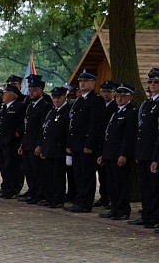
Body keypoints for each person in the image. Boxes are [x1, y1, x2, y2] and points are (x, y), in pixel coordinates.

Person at [100, 84, 138, 220]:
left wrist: (124, 154)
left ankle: (122, 210)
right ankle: (114, 207)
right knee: (111, 184)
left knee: (121, 184)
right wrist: (103, 154)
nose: (119, 98)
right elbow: (108, 135)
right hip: (110, 154)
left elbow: (129, 136)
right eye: (117, 96)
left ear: (130, 97)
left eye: (123, 96)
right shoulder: (116, 112)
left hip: (120, 155)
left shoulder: (131, 112)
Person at [66, 71, 99, 213]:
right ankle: (79, 199)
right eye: (80, 81)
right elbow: (72, 123)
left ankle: (86, 202)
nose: (82, 83)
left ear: (93, 83)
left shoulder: (96, 100)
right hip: (76, 144)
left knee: (87, 175)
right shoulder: (79, 100)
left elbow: (95, 125)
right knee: (78, 174)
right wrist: (69, 143)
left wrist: (89, 144)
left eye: (86, 81)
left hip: (86, 145)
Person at [131, 68, 159, 228]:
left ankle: (155, 217)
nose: (153, 84)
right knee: (145, 188)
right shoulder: (147, 104)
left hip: (154, 152)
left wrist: (156, 157)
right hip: (144, 152)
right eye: (150, 82)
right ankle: (147, 214)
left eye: (156, 82)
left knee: (155, 188)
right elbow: (141, 130)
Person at [39, 86, 71, 208]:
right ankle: (50, 197)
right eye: (54, 97)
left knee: (58, 176)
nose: (56, 100)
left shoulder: (67, 111)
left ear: (64, 97)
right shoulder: (52, 111)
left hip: (59, 149)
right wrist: (42, 146)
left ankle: (58, 199)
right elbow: (45, 130)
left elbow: (67, 132)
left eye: (59, 97)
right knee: (49, 175)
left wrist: (68, 147)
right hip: (49, 148)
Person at [20, 76, 50, 203]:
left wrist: (39, 145)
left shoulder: (44, 106)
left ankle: (39, 193)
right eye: (30, 89)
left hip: (35, 144)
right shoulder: (30, 105)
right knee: (29, 170)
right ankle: (32, 191)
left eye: (34, 90)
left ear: (41, 91)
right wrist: (22, 144)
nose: (31, 92)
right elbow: (27, 126)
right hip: (27, 143)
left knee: (38, 171)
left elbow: (43, 128)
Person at [0, 82, 25, 198]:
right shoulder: (4, 108)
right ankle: (6, 187)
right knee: (3, 166)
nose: (2, 95)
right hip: (2, 141)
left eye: (5, 93)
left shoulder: (19, 107)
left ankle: (13, 188)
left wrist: (17, 132)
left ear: (12, 95)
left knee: (12, 166)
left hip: (12, 142)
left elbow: (24, 123)